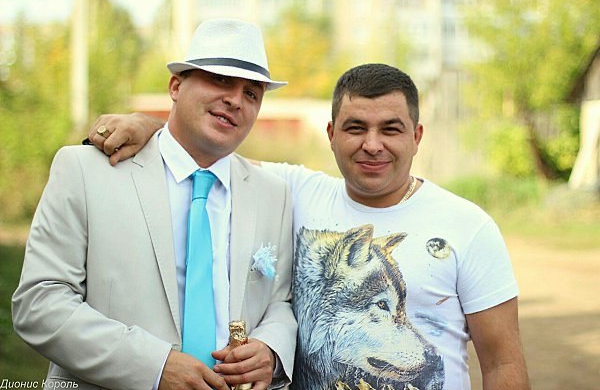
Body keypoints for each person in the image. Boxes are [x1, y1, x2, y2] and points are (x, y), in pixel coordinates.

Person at [87, 63, 530, 389]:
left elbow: (503, 365)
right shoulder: (291, 191)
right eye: (356, 128)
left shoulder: (468, 226)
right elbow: (203, 150)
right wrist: (150, 126)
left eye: (390, 130)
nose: (372, 145)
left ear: (416, 137)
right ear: (331, 134)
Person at [12, 19, 296, 390]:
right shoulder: (85, 170)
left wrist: (270, 350)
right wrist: (153, 367)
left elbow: (280, 303)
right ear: (175, 86)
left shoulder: (274, 194)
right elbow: (39, 303)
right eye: (220, 80)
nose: (235, 100)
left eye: (252, 94)